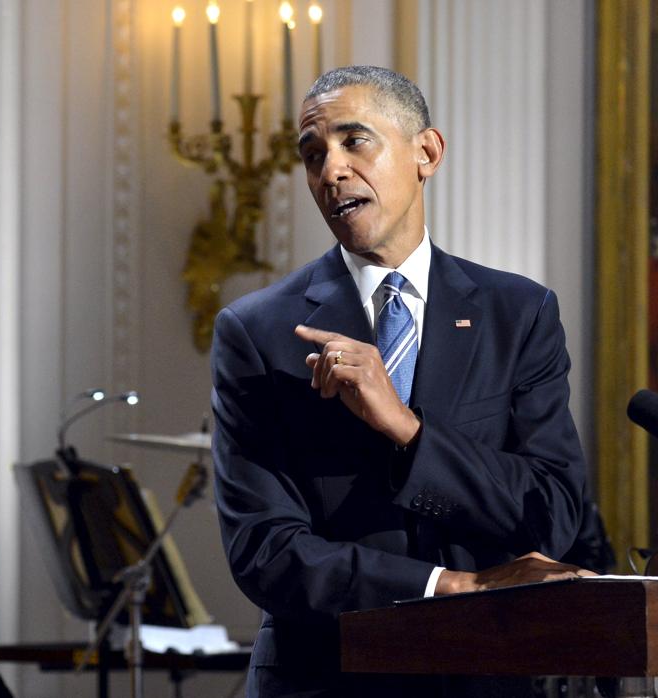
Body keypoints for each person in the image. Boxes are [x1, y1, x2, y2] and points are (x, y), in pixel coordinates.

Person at [211, 66, 593, 697]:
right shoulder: (256, 331)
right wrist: (451, 586)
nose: (330, 172)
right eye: (312, 155)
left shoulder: (519, 313)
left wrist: (409, 431)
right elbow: (266, 551)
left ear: (426, 153)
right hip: (321, 680)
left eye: (354, 142)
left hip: (484, 678)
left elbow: (550, 516)